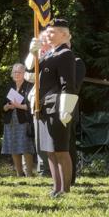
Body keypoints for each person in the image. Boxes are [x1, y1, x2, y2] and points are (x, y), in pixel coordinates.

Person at [27, 18, 78, 198]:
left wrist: (66, 109)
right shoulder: (49, 54)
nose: (48, 35)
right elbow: (30, 75)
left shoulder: (65, 54)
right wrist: (33, 54)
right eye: (47, 32)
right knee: (50, 151)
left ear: (64, 35)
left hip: (57, 106)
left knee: (61, 150)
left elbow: (68, 84)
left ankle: (65, 189)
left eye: (52, 32)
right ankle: (56, 188)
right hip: (44, 106)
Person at [25, 30, 52, 177]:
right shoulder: (38, 55)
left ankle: (51, 168)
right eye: (41, 41)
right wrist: (33, 52)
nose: (43, 43)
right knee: (39, 137)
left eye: (45, 40)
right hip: (37, 100)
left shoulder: (56, 54)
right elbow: (29, 67)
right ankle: (43, 168)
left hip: (52, 100)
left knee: (51, 136)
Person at [1, 63, 35, 177]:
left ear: (24, 74)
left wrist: (18, 105)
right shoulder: (8, 86)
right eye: (15, 72)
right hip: (10, 120)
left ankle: (29, 173)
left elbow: (31, 106)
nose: (16, 74)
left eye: (19, 72)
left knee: (26, 147)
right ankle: (19, 173)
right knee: (13, 146)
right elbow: (1, 105)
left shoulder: (29, 86)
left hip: (24, 120)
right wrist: (7, 106)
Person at [66, 41, 86, 185]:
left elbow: (74, 88)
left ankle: (71, 178)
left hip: (69, 108)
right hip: (52, 108)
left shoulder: (77, 62)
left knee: (68, 144)